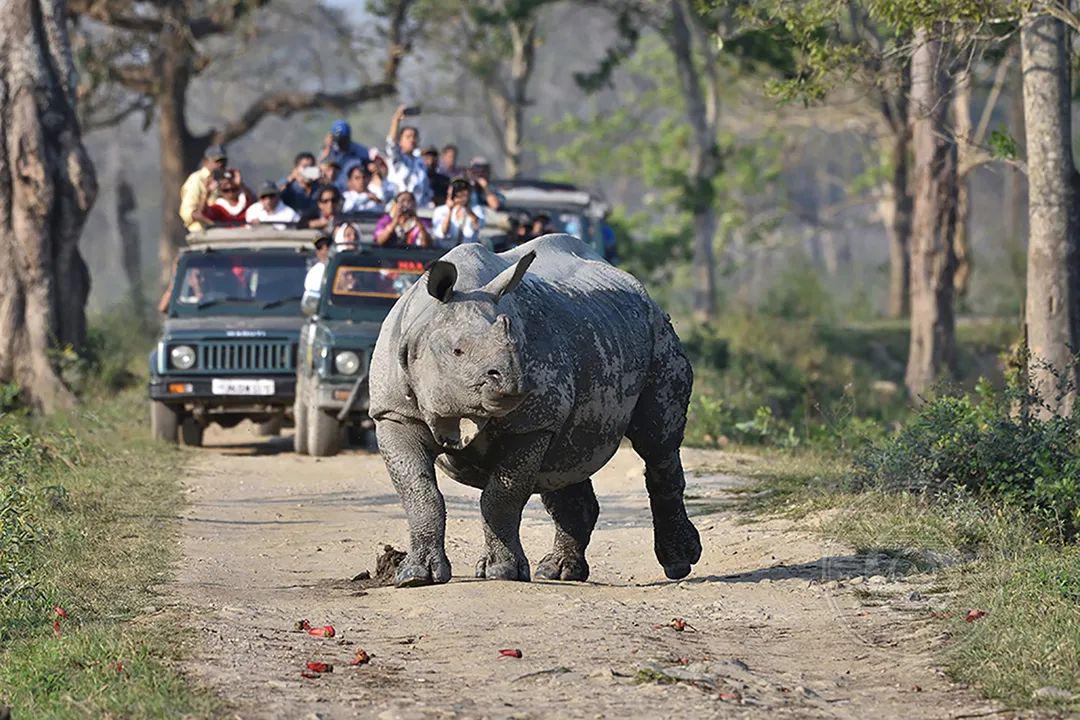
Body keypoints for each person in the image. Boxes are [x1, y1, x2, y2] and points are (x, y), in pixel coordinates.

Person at [385, 104, 431, 206]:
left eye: (414, 137)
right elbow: (391, 143)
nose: (412, 140)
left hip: (418, 209)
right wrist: (396, 120)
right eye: (408, 137)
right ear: (400, 140)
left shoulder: (420, 162)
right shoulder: (397, 158)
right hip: (398, 209)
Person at [179, 144, 227, 231]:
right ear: (206, 162)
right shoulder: (197, 179)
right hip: (201, 234)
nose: (221, 164)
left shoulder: (224, 180)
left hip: (221, 234)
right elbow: (187, 212)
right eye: (217, 161)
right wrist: (212, 224)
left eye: (223, 161)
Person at [433, 178, 485, 246]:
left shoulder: (476, 210)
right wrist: (450, 210)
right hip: (445, 251)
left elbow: (477, 225)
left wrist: (466, 207)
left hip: (468, 251)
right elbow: (443, 232)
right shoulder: (440, 211)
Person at [320, 119, 369, 190]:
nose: (341, 142)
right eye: (338, 139)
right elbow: (320, 167)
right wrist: (327, 148)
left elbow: (367, 170)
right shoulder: (329, 151)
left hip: (353, 191)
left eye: (343, 139)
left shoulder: (359, 150)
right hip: (334, 191)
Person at [303, 235, 333, 307]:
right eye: (319, 248)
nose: (324, 251)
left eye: (327, 247)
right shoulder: (310, 268)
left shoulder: (335, 267)